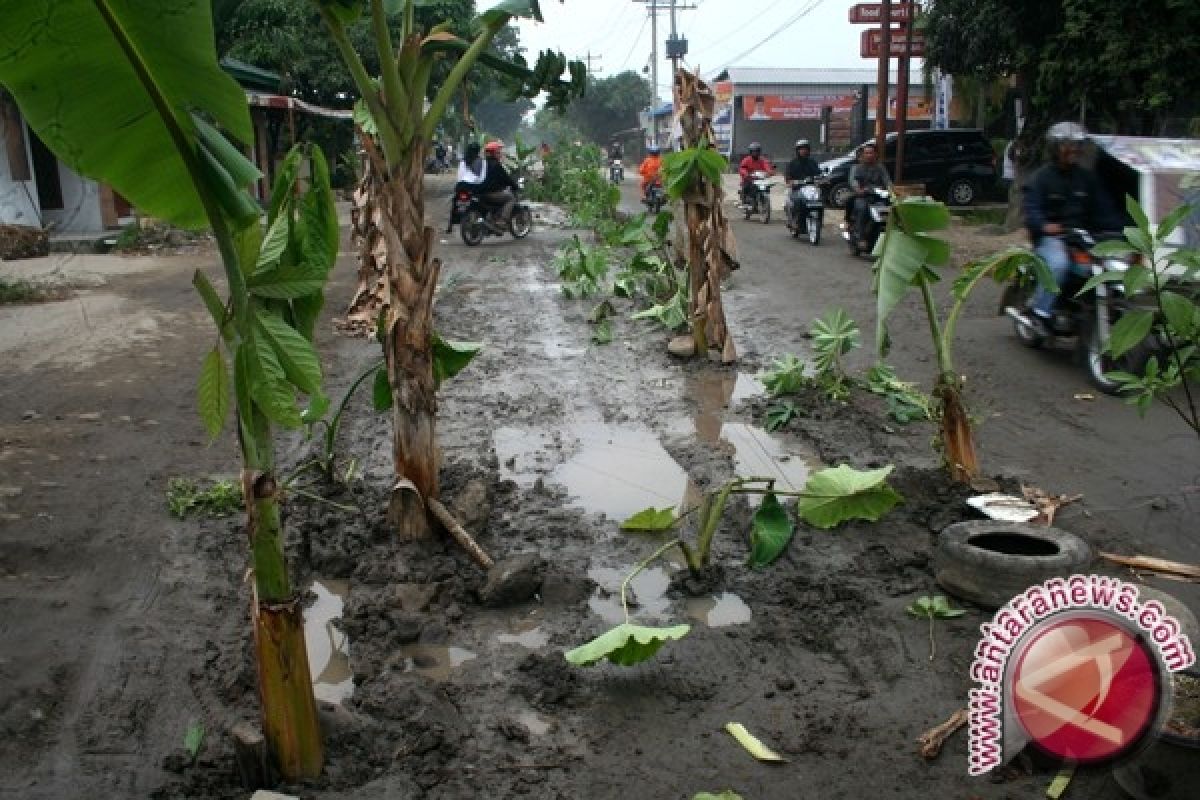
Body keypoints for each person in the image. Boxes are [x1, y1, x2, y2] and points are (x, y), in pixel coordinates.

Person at [1017, 122, 1121, 334]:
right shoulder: (1040, 179)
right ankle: (1041, 312)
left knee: (1108, 267)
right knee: (1059, 265)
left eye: (1077, 145)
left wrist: (1121, 231)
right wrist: (1046, 226)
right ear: (1055, 147)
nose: (1073, 149)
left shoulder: (1087, 179)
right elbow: (1032, 211)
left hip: (1083, 238)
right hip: (1052, 239)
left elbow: (1104, 210)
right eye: (1067, 145)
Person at [844, 142, 892, 247]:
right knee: (862, 208)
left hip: (878, 197)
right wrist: (858, 189)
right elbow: (853, 181)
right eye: (866, 153)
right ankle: (860, 237)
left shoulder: (880, 168)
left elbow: (887, 181)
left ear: (876, 154)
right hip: (862, 196)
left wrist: (891, 190)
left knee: (890, 210)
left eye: (871, 153)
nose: (869, 155)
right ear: (863, 155)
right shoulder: (856, 168)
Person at [476, 140, 520, 229]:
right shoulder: (496, 165)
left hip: (479, 193)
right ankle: (502, 220)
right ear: (494, 153)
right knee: (511, 198)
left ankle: (492, 217)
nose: (500, 154)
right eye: (498, 152)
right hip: (491, 193)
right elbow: (506, 179)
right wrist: (515, 186)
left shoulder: (482, 164)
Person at [446, 141, 486, 233]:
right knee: (483, 201)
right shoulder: (481, 161)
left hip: (461, 185)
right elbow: (481, 177)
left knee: (455, 203)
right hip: (474, 187)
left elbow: (459, 176)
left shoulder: (463, 161)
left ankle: (450, 226)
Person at [784, 139, 821, 231]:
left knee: (820, 200)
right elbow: (788, 177)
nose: (804, 151)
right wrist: (791, 182)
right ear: (797, 150)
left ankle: (819, 221)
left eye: (806, 149)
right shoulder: (792, 163)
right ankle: (795, 221)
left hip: (811, 188)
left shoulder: (812, 162)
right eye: (801, 149)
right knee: (798, 201)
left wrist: (822, 179)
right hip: (797, 189)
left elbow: (818, 174)